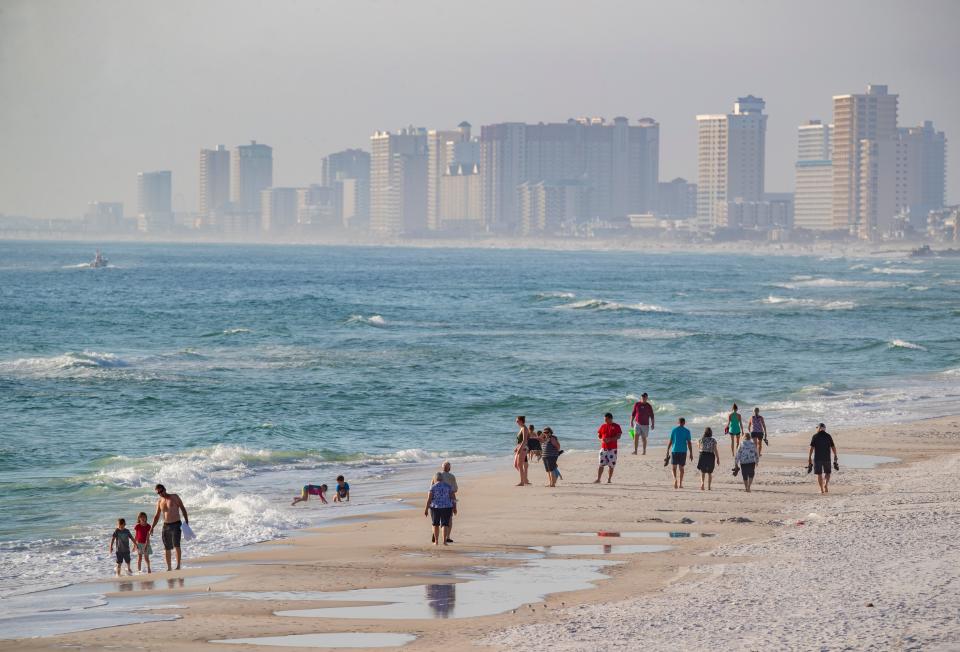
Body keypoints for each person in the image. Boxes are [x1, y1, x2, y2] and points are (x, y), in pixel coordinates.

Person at [151, 484, 189, 572]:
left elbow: (182, 508)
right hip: (166, 525)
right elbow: (156, 516)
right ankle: (169, 567)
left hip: (176, 524)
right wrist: (152, 527)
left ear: (165, 489)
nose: (160, 493)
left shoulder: (174, 497)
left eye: (161, 491)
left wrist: (186, 520)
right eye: (158, 493)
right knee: (166, 547)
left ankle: (178, 565)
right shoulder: (160, 501)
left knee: (176, 545)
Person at [424, 471, 456, 546]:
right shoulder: (448, 486)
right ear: (442, 479)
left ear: (435, 479)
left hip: (435, 507)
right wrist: (454, 508)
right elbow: (453, 498)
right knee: (445, 524)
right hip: (447, 507)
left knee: (435, 524)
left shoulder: (433, 487)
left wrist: (426, 509)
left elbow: (429, 499)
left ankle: (436, 541)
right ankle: (444, 541)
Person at [808, 423, 839, 494]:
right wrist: (835, 455)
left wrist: (809, 457)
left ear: (819, 428)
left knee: (819, 474)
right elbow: (833, 447)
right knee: (827, 473)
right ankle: (825, 485)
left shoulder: (815, 436)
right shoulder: (828, 436)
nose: (816, 429)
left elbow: (811, 448)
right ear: (824, 428)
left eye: (817, 428)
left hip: (817, 458)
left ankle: (821, 489)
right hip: (826, 458)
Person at [666, 418, 694, 489]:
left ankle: (675, 480)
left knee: (674, 468)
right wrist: (691, 453)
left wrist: (667, 450)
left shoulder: (674, 430)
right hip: (683, 451)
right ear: (684, 423)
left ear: (678, 422)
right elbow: (689, 443)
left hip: (674, 450)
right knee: (681, 468)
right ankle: (680, 484)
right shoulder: (687, 431)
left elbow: (670, 441)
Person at [594, 412, 622, 484]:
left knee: (611, 465)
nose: (605, 421)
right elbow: (599, 435)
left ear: (610, 419)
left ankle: (609, 479)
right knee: (601, 464)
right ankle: (598, 479)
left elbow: (618, 436)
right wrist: (601, 440)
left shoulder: (616, 426)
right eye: (604, 419)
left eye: (606, 419)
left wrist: (610, 439)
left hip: (612, 449)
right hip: (603, 448)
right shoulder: (603, 426)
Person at [439, 461, 458, 543]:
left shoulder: (437, 475)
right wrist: (455, 505)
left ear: (442, 467)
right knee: (449, 519)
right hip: (448, 500)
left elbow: (431, 488)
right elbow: (455, 490)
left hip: (437, 500)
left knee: (438, 519)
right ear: (449, 468)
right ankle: (447, 537)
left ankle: (435, 534)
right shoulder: (451, 476)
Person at [514, 416, 530, 486]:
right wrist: (517, 447)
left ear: (521, 421)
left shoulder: (524, 428)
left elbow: (524, 440)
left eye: (517, 421)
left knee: (519, 465)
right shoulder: (521, 428)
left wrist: (520, 449)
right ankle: (524, 480)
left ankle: (522, 482)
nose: (516, 422)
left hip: (523, 448)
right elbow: (520, 441)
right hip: (521, 447)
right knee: (518, 465)